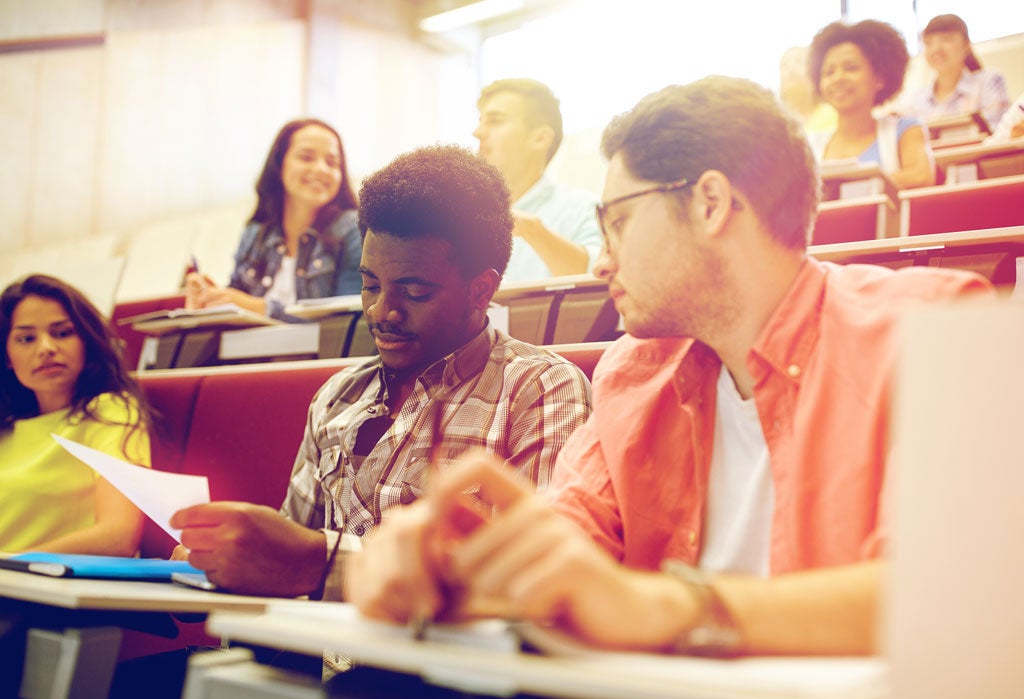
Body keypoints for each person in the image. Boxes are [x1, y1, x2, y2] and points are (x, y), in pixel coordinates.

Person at [347, 76, 993, 657]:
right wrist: (459, 568)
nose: (600, 262)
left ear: (711, 203)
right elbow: (570, 545)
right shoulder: (632, 372)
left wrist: (674, 606)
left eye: (618, 221)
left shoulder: (934, 327)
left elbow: (953, 595)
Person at [169, 145, 593, 599]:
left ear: (480, 290)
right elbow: (286, 557)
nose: (381, 310)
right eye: (370, 285)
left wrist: (321, 563)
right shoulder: (338, 395)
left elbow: (536, 576)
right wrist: (227, 564)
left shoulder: (540, 388)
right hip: (312, 658)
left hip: (435, 665)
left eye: (414, 292)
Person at [0, 274, 151, 555]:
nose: (46, 348)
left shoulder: (110, 411)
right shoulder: (6, 426)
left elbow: (117, 537)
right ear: (7, 357)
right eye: (26, 338)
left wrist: (10, 566)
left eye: (62, 333)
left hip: (45, 588)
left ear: (86, 341)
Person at [185, 118, 362, 320]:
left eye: (332, 162)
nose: (321, 169)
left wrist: (261, 308)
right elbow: (237, 303)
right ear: (279, 164)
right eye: (306, 157)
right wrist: (211, 299)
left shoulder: (353, 231)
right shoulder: (255, 234)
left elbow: (347, 321)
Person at [474, 78, 603, 283]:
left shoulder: (583, 209)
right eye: (480, 121)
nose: (478, 132)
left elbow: (599, 277)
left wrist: (532, 231)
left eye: (495, 120)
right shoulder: (461, 217)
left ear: (540, 138)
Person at [807, 20, 935, 189]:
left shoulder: (906, 130)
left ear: (880, 78)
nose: (838, 78)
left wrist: (843, 190)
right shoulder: (810, 146)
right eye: (828, 72)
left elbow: (921, 177)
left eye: (851, 68)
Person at [898, 14, 1010, 132]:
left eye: (946, 39)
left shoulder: (988, 82)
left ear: (966, 45)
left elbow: (997, 132)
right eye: (929, 42)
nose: (936, 49)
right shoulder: (913, 101)